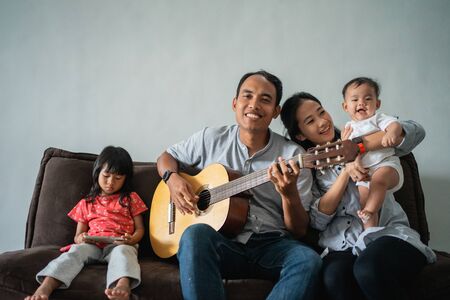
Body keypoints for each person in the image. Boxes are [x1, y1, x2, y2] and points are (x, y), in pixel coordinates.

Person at [156, 70, 321, 300]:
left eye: (265, 99)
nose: (254, 104)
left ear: (275, 111)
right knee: (194, 235)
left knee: (308, 260)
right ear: (235, 103)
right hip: (222, 242)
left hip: (272, 244)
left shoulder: (294, 156)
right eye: (247, 96)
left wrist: (289, 194)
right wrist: (171, 179)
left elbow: (299, 230)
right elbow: (166, 157)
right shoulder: (210, 138)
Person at [280, 92, 436, 300]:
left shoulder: (360, 130)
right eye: (310, 121)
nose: (322, 122)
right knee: (334, 278)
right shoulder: (311, 171)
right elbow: (317, 222)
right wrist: (345, 171)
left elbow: (417, 131)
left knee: (368, 268)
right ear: (300, 135)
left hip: (386, 233)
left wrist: (357, 148)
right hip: (342, 244)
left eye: (321, 112)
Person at [25, 146, 148, 300]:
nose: (110, 182)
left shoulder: (131, 198)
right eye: (106, 175)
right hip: (92, 245)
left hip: (119, 244)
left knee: (124, 253)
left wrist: (133, 239)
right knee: (75, 252)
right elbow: (78, 236)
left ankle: (122, 286)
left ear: (126, 178)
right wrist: (81, 238)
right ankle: (45, 287)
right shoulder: (87, 202)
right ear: (97, 173)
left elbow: (140, 229)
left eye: (118, 178)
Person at [341, 77, 403, 228]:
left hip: (386, 165)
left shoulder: (377, 119)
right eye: (354, 100)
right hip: (365, 172)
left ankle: (370, 210)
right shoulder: (348, 128)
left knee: (378, 182)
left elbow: (395, 125)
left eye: (367, 98)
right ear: (345, 106)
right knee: (363, 199)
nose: (361, 103)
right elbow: (346, 154)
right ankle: (369, 234)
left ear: (377, 104)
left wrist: (391, 133)